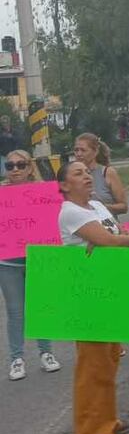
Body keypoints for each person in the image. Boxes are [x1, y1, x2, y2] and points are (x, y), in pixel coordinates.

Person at [57, 161, 129, 434]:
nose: (86, 176)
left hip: (108, 290)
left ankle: (107, 420)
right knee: (92, 366)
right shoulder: (70, 212)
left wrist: (118, 239)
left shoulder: (96, 206)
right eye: (77, 174)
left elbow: (118, 232)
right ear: (64, 185)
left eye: (86, 171)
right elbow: (110, 239)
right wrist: (120, 240)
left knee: (109, 358)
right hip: (87, 295)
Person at [1, 150, 62, 382]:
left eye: (21, 164)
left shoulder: (45, 193)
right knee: (15, 311)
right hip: (8, 261)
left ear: (30, 167)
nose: (15, 169)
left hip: (39, 257)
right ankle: (17, 359)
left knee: (40, 306)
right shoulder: (1, 194)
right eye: (10, 165)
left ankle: (46, 353)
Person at [72, 133, 127, 217]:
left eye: (83, 150)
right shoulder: (71, 175)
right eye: (76, 150)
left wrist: (101, 208)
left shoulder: (107, 172)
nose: (79, 154)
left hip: (107, 227)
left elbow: (123, 207)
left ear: (95, 152)